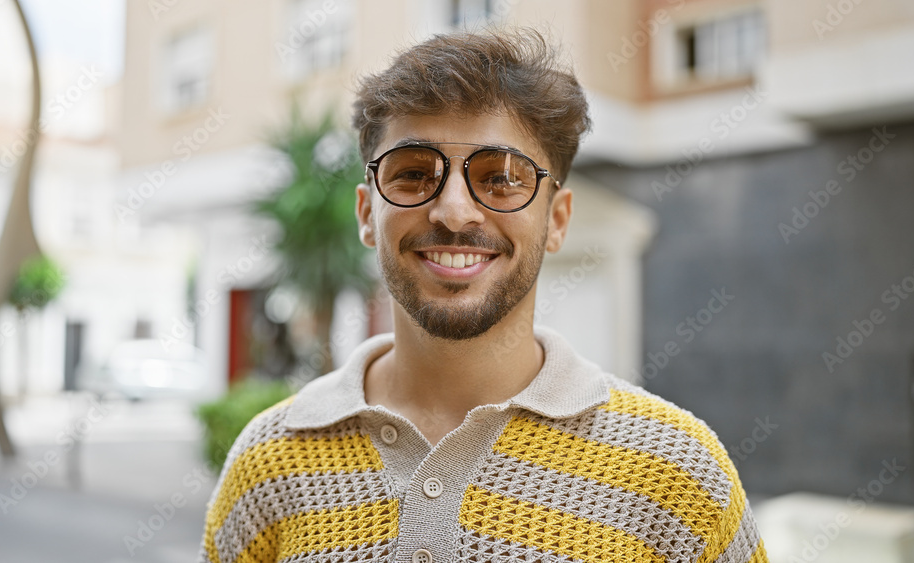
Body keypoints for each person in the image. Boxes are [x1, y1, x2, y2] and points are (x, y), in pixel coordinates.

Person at [199, 28, 768, 563]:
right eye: (413, 174)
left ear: (557, 220)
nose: (452, 211)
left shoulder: (679, 474)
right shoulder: (267, 464)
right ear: (367, 213)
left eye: (501, 178)